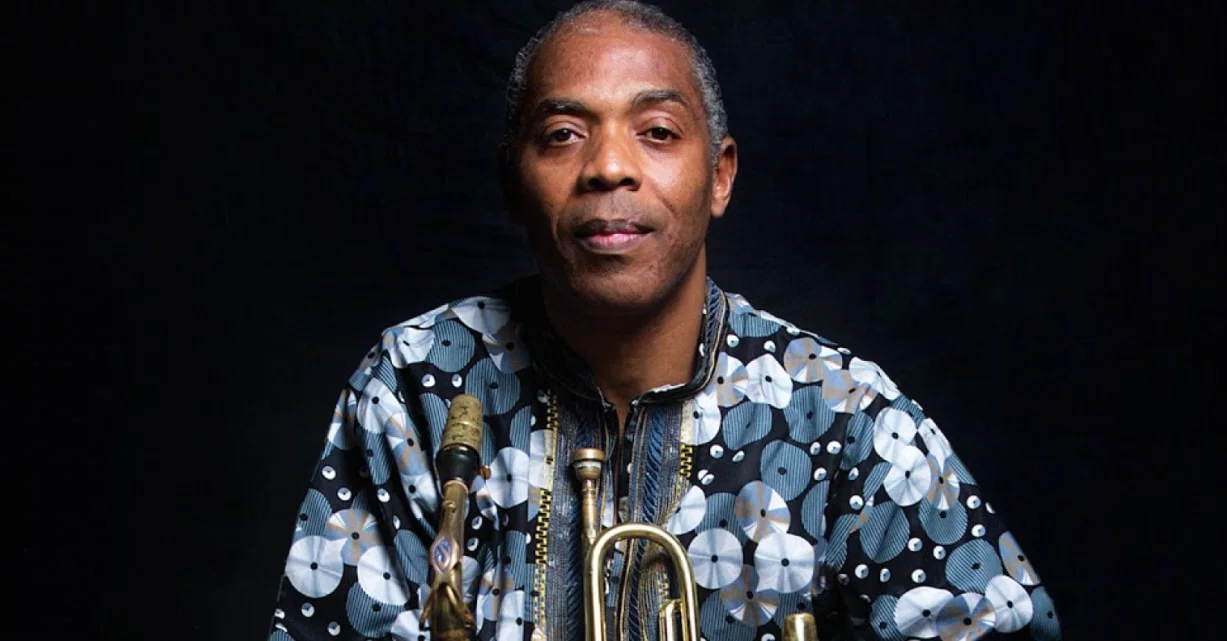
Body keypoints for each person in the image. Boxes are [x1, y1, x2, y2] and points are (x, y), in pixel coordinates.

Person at [266, 2, 1062, 640]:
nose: (609, 166)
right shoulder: (415, 385)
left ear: (719, 176)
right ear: (513, 186)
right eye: (562, 135)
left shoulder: (844, 413)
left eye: (656, 132)